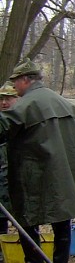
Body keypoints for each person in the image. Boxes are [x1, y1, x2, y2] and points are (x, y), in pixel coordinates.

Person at [0, 59, 75, 263]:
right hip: (64, 173)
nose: (15, 88)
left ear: (25, 80)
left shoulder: (24, 105)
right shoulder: (64, 104)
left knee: (27, 221)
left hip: (32, 173)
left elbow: (3, 129)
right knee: (62, 220)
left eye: (16, 83)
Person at [0, 83, 19, 241]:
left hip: (19, 178)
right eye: (1, 99)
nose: (4, 103)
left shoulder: (25, 119)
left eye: (8, 99)